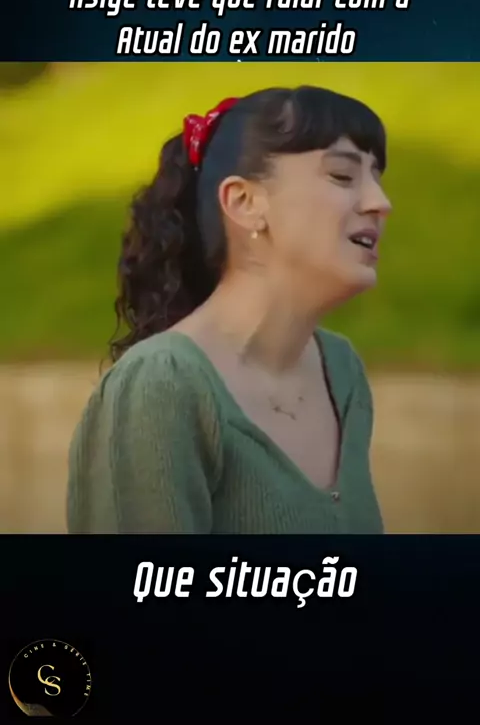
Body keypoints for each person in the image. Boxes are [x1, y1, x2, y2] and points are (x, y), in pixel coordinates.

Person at [67, 85, 392, 534]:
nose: (381, 202)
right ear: (244, 202)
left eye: (377, 177)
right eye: (342, 175)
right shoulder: (162, 385)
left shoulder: (342, 372)